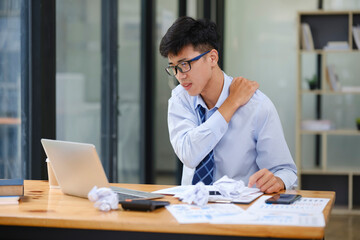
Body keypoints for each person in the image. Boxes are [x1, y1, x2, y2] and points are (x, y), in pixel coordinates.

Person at [159, 16, 297, 193]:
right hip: (191, 207)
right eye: (174, 67)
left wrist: (278, 180)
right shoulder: (180, 99)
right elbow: (189, 154)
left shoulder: (257, 106)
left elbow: (286, 171)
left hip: (240, 210)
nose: (180, 75)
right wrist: (230, 105)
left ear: (212, 58)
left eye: (185, 64)